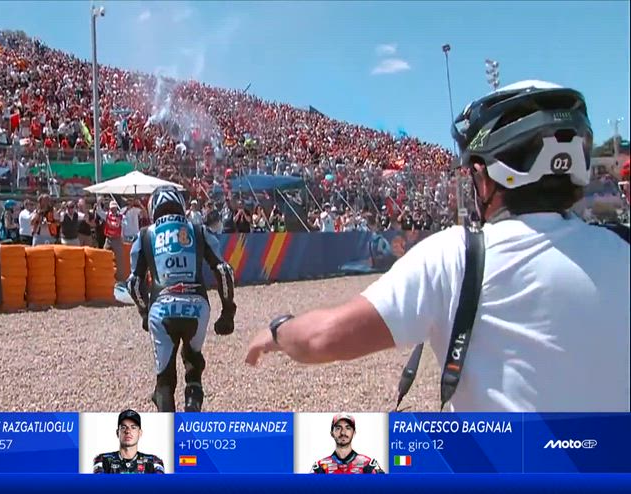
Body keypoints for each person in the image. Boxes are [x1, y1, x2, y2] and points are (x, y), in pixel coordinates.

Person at [245, 81, 631, 412]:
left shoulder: (457, 255)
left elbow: (323, 338)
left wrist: (279, 330)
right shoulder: (622, 247)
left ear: (485, 177)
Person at [125, 185, 237, 412]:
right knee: (193, 361)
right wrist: (227, 313)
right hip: (197, 308)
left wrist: (145, 312)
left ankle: (167, 424)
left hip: (161, 308)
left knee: (164, 380)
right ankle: (193, 404)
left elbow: (133, 284)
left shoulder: (145, 235)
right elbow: (224, 271)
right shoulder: (199, 230)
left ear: (153, 208)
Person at [93, 410, 165, 474]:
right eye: (123, 427)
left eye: (133, 427)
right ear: (117, 433)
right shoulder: (103, 460)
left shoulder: (153, 462)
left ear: (140, 433)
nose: (128, 431)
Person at [311, 414, 384, 474]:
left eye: (348, 428)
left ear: (354, 433)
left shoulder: (368, 465)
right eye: (338, 428)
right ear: (332, 433)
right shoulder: (320, 467)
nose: (343, 432)